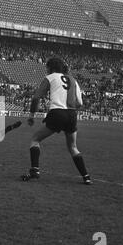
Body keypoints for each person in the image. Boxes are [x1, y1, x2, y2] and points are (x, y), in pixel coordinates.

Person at [22, 57, 91, 185]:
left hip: (57, 113)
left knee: (35, 139)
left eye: (47, 67)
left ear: (51, 68)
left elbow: (36, 97)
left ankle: (35, 171)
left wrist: (31, 115)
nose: (46, 70)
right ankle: (86, 177)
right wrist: (69, 109)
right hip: (71, 114)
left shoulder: (51, 77)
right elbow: (80, 103)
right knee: (73, 147)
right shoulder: (73, 80)